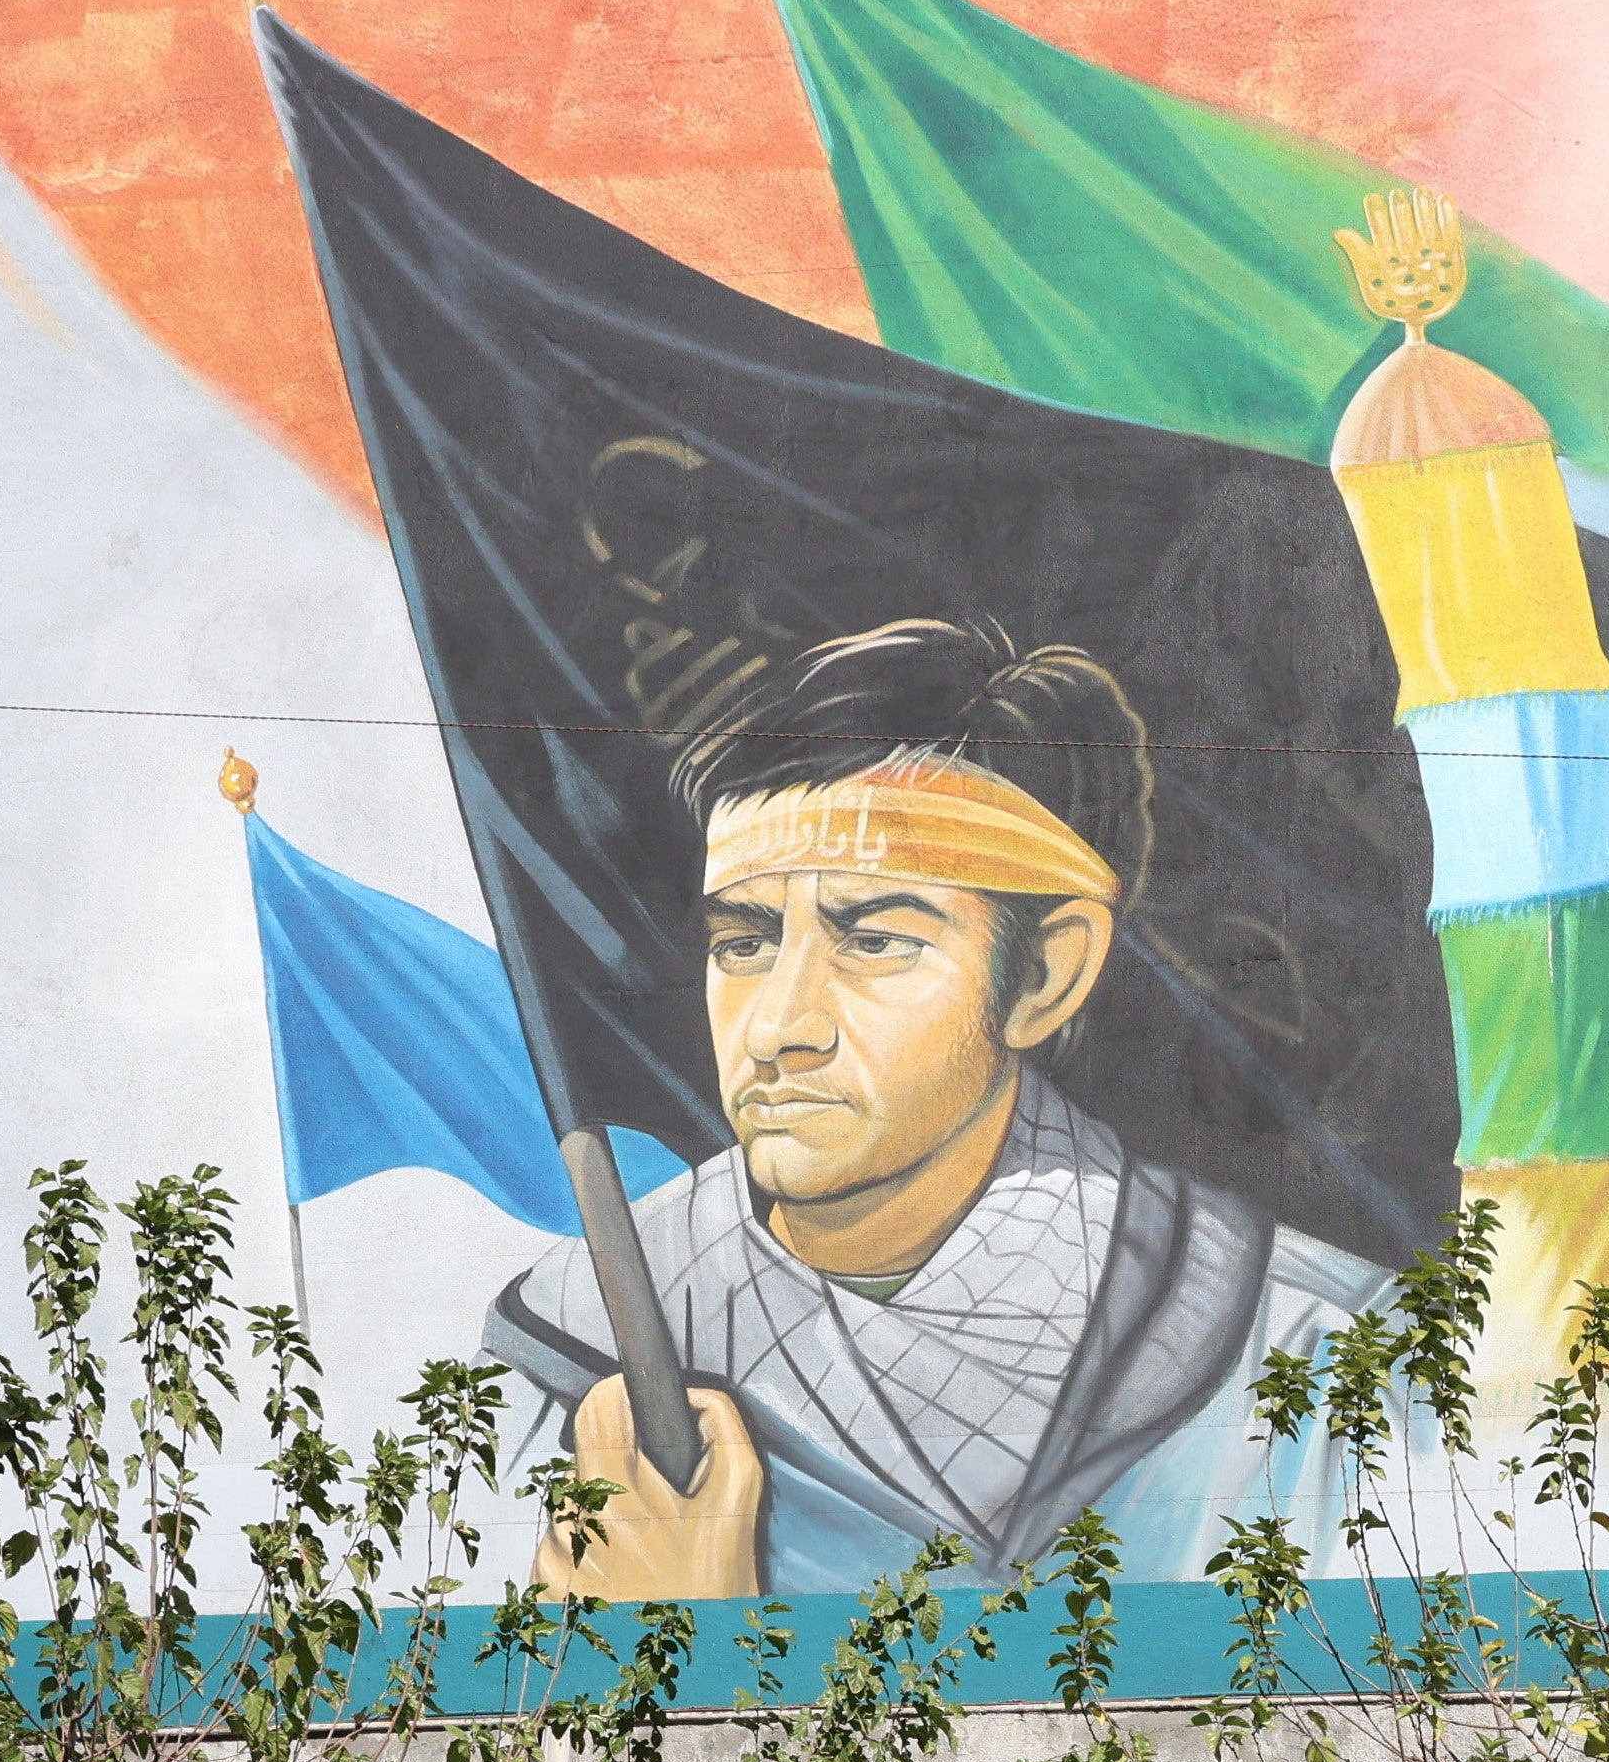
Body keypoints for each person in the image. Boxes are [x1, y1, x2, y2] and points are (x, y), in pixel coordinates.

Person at [510, 617, 1382, 1600]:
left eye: (876, 939)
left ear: (1046, 974)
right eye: (744, 945)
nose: (776, 1029)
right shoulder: (566, 1351)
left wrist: (689, 1645)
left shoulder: (1313, 1354)